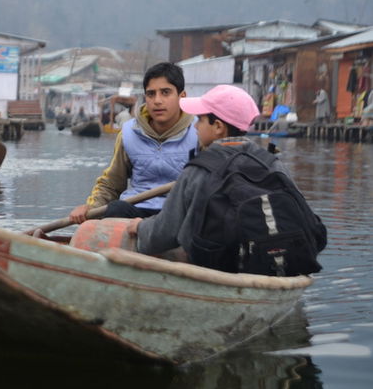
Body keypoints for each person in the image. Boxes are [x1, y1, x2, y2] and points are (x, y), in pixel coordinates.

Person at [127, 84, 324, 274]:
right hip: (272, 261)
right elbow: (311, 224)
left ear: (218, 127)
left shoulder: (197, 170)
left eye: (201, 120)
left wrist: (141, 228)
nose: (195, 126)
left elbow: (164, 232)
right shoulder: (272, 163)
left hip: (219, 267)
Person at [68, 62, 198, 223]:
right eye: (151, 94)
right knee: (116, 209)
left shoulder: (199, 131)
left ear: (182, 96)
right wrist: (90, 207)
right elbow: (112, 183)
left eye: (165, 93)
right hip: (137, 208)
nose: (157, 101)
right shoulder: (129, 132)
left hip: (180, 212)